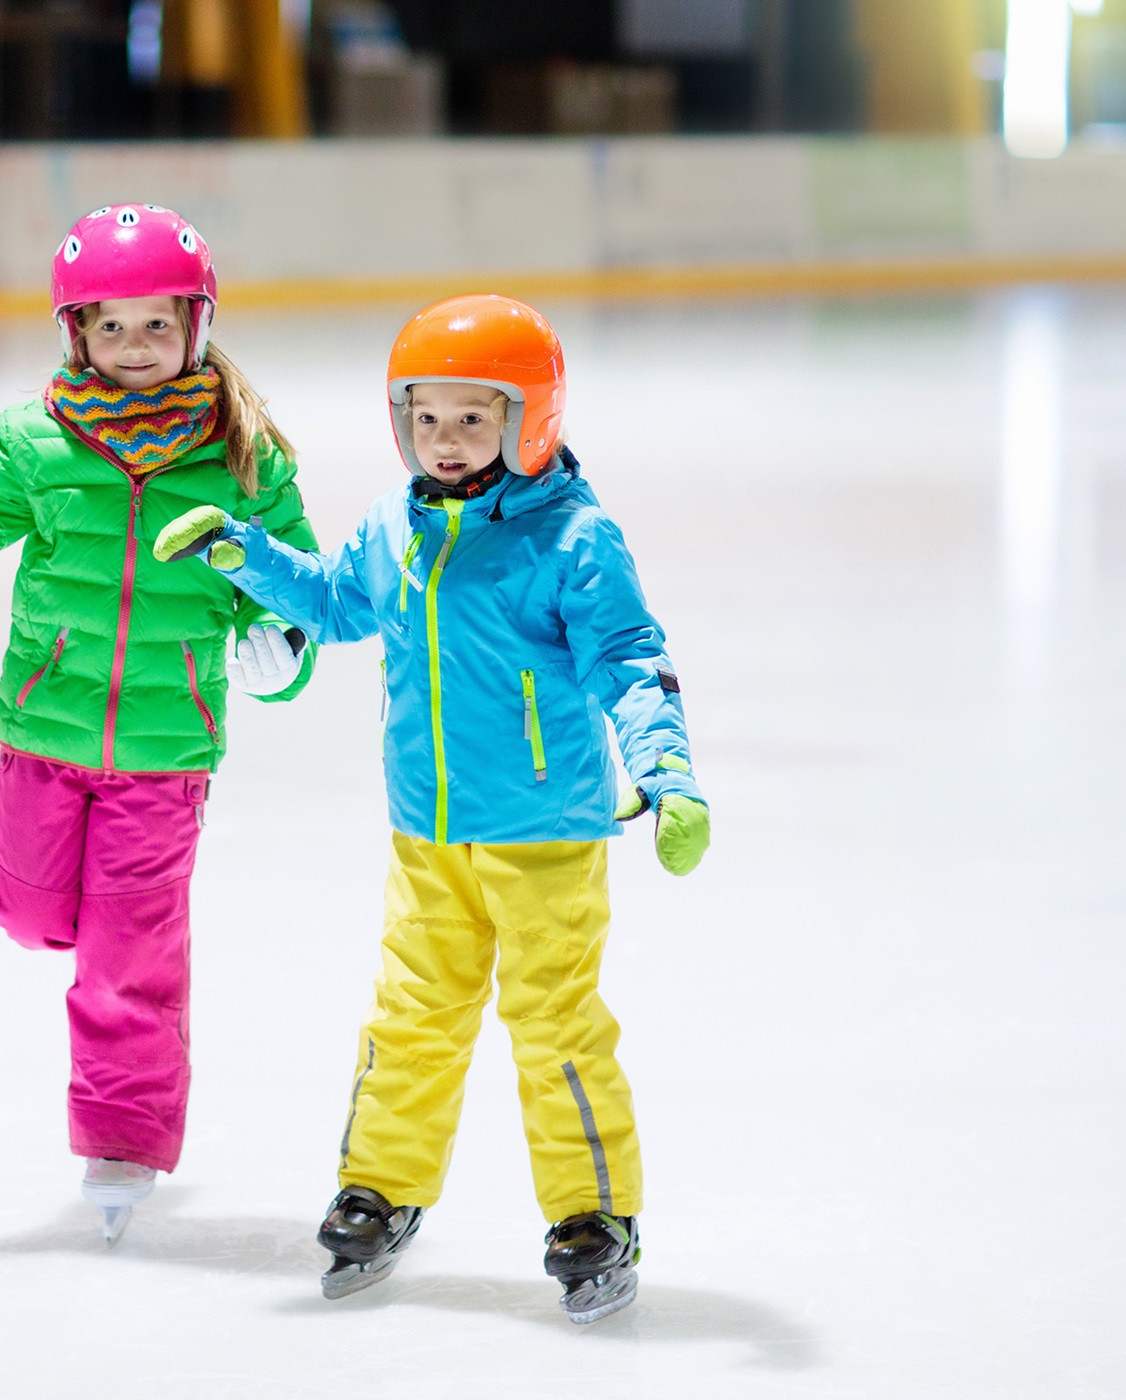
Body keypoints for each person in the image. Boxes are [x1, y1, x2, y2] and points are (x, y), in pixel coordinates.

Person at [151, 293, 709, 1321]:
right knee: (411, 1021)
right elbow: (329, 602)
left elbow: (631, 662)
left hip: (545, 838)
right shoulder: (391, 525)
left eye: (472, 417)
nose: (444, 440)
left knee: (556, 1030)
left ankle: (595, 1213)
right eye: (425, 416)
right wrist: (243, 550)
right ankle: (381, 1187)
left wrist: (667, 772)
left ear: (528, 418)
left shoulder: (574, 540)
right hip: (427, 836)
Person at [0, 204, 319, 1243]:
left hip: (166, 760)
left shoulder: (245, 458)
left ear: (198, 328)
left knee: (130, 955)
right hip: (44, 732)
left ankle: (121, 1138)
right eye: (111, 327)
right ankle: (41, 900)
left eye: (157, 327)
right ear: (75, 332)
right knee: (30, 908)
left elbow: (296, 591)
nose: (135, 349)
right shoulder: (36, 444)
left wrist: (286, 653)